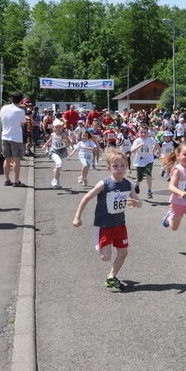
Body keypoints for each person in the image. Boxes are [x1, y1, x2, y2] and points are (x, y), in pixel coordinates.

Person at [72, 149, 142, 290]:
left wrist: (136, 203)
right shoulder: (104, 184)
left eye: (122, 165)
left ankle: (111, 277)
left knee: (123, 253)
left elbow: (139, 202)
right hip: (104, 225)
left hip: (120, 225)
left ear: (127, 167)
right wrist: (77, 217)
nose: (119, 169)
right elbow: (86, 197)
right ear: (109, 167)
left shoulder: (128, 184)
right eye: (115, 166)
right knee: (106, 257)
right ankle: (101, 246)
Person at [0, 92, 28, 187]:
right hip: (15, 137)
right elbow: (23, 123)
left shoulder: (4, 108)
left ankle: (7, 179)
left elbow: (1, 118)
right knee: (16, 160)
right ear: (20, 100)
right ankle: (16, 180)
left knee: (7, 159)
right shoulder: (20, 111)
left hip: (5, 136)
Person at [43, 119, 73, 189]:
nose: (58, 129)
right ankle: (55, 180)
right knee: (59, 163)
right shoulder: (53, 134)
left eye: (59, 127)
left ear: (62, 127)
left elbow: (69, 143)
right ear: (53, 128)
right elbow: (50, 140)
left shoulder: (64, 135)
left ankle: (57, 180)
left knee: (58, 168)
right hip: (54, 152)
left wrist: (63, 140)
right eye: (56, 127)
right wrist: (45, 145)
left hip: (62, 152)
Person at [130, 126, 159, 199]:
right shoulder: (137, 141)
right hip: (140, 160)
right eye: (141, 132)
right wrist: (139, 145)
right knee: (140, 178)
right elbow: (132, 150)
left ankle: (149, 191)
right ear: (138, 133)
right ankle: (136, 185)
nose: (143, 134)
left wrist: (157, 151)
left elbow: (157, 145)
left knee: (148, 174)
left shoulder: (151, 139)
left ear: (147, 133)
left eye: (145, 132)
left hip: (149, 160)